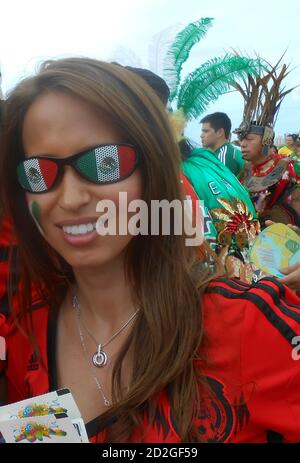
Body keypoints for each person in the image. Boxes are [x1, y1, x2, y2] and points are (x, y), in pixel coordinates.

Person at [0, 58, 300, 443]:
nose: (70, 198)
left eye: (105, 163)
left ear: (153, 167)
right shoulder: (28, 327)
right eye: (38, 173)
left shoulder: (247, 326)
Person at [235, 61, 300, 227]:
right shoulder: (245, 170)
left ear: (266, 140)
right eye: (241, 139)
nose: (242, 144)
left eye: (249, 139)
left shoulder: (291, 167)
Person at [200, 112, 245, 177]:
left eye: (206, 131)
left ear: (220, 132)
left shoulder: (223, 156)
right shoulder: (214, 153)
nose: (201, 135)